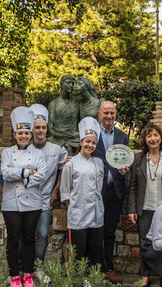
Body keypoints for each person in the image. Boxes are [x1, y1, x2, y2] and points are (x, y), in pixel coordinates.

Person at [128, 123, 162, 287]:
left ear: (161, 138)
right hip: (145, 208)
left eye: (156, 135)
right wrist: (132, 209)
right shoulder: (138, 158)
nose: (153, 138)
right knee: (144, 243)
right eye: (149, 135)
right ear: (145, 139)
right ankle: (145, 275)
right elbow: (133, 186)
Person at [1, 107, 47, 287]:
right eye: (20, 133)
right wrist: (29, 172)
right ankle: (14, 276)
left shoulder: (38, 153)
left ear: (30, 134)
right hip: (11, 203)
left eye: (26, 133)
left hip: (33, 203)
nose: (23, 136)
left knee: (29, 238)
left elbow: (41, 175)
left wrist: (18, 174)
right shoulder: (6, 153)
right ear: (15, 134)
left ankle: (27, 274)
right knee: (13, 240)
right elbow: (5, 173)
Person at [60, 117, 106, 274]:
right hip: (78, 217)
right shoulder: (70, 164)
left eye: (93, 143)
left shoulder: (99, 163)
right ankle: (76, 280)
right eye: (87, 141)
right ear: (81, 142)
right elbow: (65, 192)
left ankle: (94, 280)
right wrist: (74, 208)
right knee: (76, 254)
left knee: (96, 254)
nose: (90, 145)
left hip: (96, 215)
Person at [29, 104, 69, 269]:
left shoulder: (57, 148)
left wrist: (55, 189)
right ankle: (23, 268)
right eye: (37, 128)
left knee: (43, 234)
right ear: (32, 129)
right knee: (25, 236)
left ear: (47, 129)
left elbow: (64, 169)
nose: (40, 131)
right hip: (25, 199)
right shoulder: (25, 148)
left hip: (45, 199)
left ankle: (38, 267)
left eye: (43, 128)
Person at [96, 101, 129, 283]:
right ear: (99, 113)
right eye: (106, 113)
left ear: (116, 114)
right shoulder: (92, 135)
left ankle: (108, 269)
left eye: (112, 113)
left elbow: (125, 160)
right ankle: (93, 268)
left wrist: (125, 170)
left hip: (114, 191)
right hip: (96, 191)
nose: (109, 116)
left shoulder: (122, 136)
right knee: (94, 231)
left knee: (109, 231)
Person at [48, 75, 79, 154]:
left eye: (72, 84)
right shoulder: (53, 104)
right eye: (68, 83)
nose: (71, 86)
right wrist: (65, 136)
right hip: (57, 137)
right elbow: (50, 128)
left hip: (74, 138)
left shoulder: (77, 102)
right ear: (61, 85)